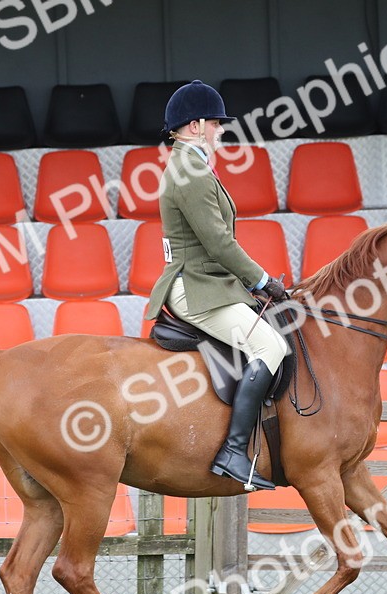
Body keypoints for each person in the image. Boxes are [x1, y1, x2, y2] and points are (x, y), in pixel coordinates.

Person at [144, 80, 289, 491]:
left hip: (209, 282)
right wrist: (262, 280)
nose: (222, 130)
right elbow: (219, 242)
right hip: (197, 287)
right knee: (271, 346)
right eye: (217, 124)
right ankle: (233, 451)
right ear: (195, 126)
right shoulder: (189, 172)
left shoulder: (190, 166)